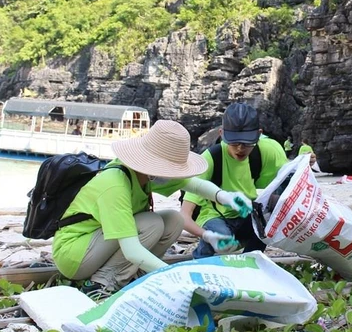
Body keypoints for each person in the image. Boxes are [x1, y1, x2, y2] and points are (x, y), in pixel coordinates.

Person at [52, 120, 252, 299]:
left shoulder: (146, 175)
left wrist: (224, 197)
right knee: (151, 223)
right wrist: (176, 277)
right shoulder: (115, 183)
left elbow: (194, 185)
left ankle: (133, 276)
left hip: (99, 246)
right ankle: (101, 283)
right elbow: (131, 250)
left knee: (174, 220)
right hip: (74, 255)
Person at [181, 103, 289, 258]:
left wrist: (306, 162)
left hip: (247, 215)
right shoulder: (210, 158)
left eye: (246, 143)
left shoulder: (269, 150)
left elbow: (291, 180)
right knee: (219, 233)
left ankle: (250, 261)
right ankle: (200, 261)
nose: (240, 148)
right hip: (216, 215)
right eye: (234, 142)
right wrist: (206, 235)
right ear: (221, 133)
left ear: (259, 134)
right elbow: (184, 216)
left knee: (267, 223)